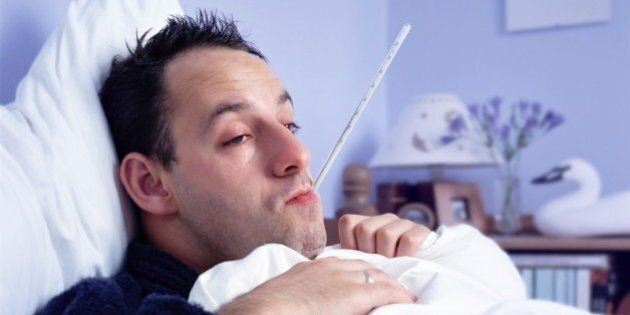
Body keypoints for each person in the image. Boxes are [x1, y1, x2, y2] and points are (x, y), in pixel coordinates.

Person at [40, 11, 519, 315]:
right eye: (240, 136)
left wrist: (434, 265)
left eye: (289, 126)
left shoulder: (372, 260)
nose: (298, 156)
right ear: (151, 182)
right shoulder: (103, 306)